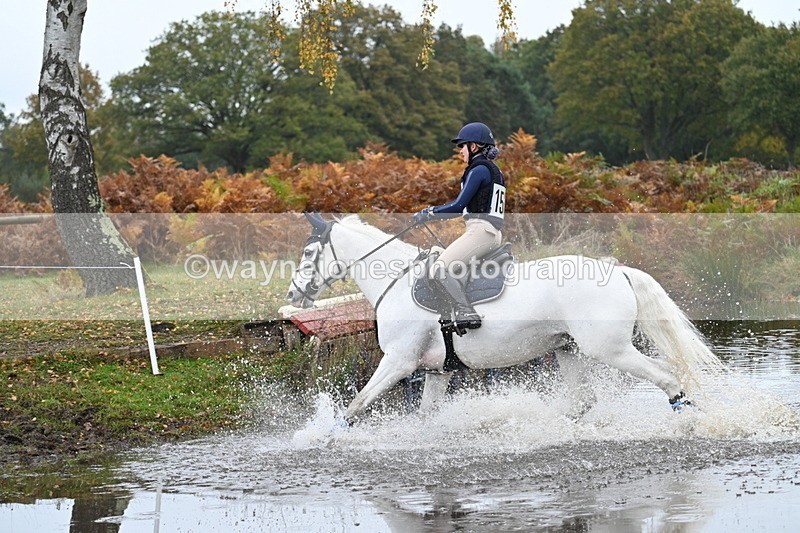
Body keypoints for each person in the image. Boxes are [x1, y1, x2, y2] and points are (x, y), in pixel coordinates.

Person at [412, 122, 506, 332]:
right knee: (436, 253)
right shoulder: (492, 170)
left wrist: (428, 213)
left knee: (439, 269)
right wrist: (432, 214)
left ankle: (465, 311)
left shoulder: (479, 169)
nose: (460, 151)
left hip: (481, 232)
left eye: (462, 146)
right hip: (488, 232)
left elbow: (458, 205)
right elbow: (459, 211)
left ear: (474, 147)